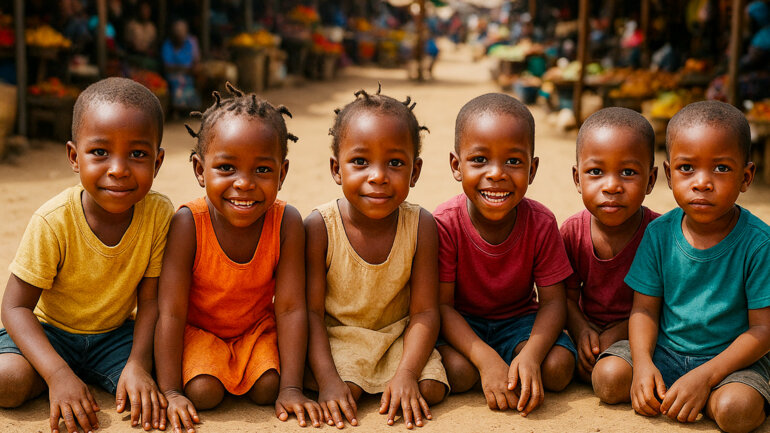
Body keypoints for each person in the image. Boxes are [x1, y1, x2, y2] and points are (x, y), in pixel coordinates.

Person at [0, 77, 171, 433]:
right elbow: (14, 308)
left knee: (172, 369)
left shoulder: (158, 215)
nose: (118, 169)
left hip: (115, 336)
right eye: (99, 152)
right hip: (50, 331)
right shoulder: (54, 221)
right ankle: (57, 378)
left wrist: (137, 363)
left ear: (158, 162)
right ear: (74, 157)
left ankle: (78, 375)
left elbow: (151, 299)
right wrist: (57, 372)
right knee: (8, 381)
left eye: (138, 154)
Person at [592, 101, 770, 433]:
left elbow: (763, 331)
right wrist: (644, 365)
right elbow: (644, 310)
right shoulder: (659, 233)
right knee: (609, 378)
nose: (702, 182)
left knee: (736, 411)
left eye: (720, 169)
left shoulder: (759, 243)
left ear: (746, 177)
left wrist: (706, 376)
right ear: (670, 174)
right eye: (687, 168)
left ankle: (704, 392)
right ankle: (680, 390)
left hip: (730, 362)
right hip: (665, 351)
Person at [154, 83, 321, 432]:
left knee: (269, 387)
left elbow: (290, 307)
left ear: (282, 173)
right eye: (227, 168)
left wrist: (291, 388)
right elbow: (170, 310)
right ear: (200, 171)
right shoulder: (189, 224)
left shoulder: (287, 221)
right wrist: (170, 391)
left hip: (255, 332)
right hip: (199, 331)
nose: (244, 184)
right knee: (203, 392)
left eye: (262, 170)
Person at [305, 85, 448, 429]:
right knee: (346, 390)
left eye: (395, 163)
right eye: (360, 162)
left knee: (431, 386)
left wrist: (408, 373)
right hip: (338, 337)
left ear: (415, 171)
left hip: (396, 337)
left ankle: (398, 377)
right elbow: (308, 313)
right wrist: (326, 380)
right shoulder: (320, 227)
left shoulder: (421, 225)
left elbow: (426, 312)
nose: (378, 176)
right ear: (336, 169)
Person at [435, 93, 576, 416]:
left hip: (519, 323)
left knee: (557, 367)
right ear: (456, 166)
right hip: (463, 323)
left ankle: (516, 362)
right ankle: (495, 364)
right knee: (458, 373)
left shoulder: (541, 223)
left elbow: (554, 302)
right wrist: (485, 361)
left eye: (513, 161)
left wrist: (530, 356)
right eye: (480, 160)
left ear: (532, 168)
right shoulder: (444, 224)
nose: (497, 174)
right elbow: (441, 305)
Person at [561, 108, 660, 384]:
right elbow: (565, 299)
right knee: (556, 368)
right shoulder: (572, 232)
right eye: (595, 172)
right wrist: (581, 331)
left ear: (650, 180)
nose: (612, 186)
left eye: (628, 172)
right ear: (577, 179)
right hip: (585, 329)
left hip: (641, 332)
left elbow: (664, 306)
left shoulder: (660, 234)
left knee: (611, 378)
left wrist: (615, 335)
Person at [161, 19, 201, 113]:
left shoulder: (190, 43)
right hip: (173, 76)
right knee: (178, 83)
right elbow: (167, 68)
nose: (180, 34)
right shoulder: (167, 45)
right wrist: (185, 69)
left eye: (183, 31)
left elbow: (194, 64)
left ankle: (188, 109)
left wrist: (188, 69)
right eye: (178, 31)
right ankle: (178, 109)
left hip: (188, 77)